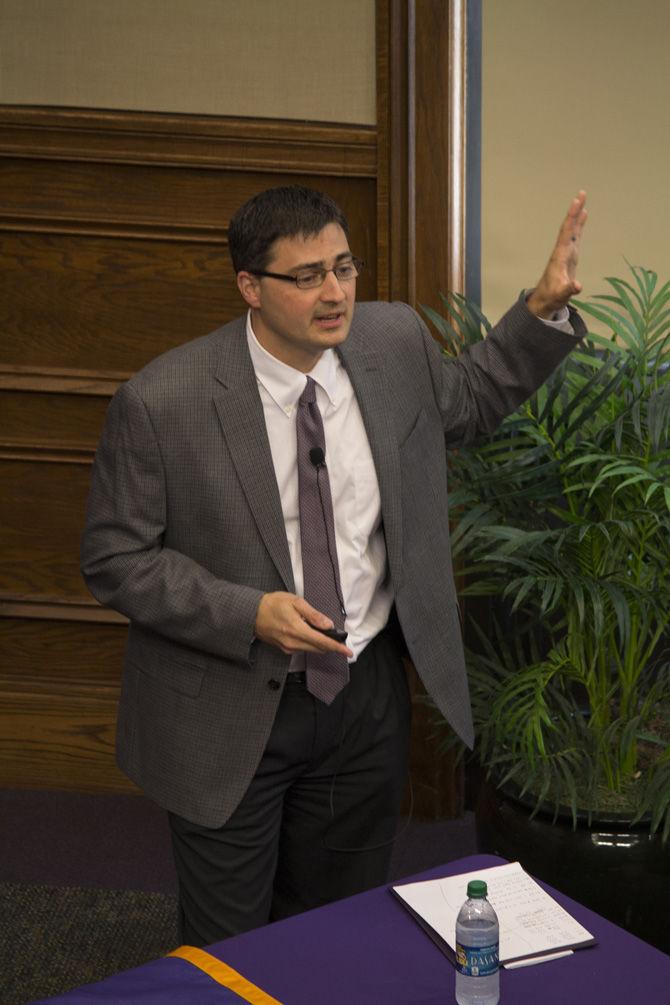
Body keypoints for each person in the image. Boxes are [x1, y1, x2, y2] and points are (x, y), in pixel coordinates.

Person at [81, 185, 588, 946]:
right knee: (234, 950)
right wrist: (246, 611)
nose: (335, 292)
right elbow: (114, 558)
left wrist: (542, 307)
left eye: (344, 267)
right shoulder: (163, 401)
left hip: (362, 692)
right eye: (308, 275)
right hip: (230, 703)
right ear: (250, 286)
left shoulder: (391, 341)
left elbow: (472, 399)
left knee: (337, 931)